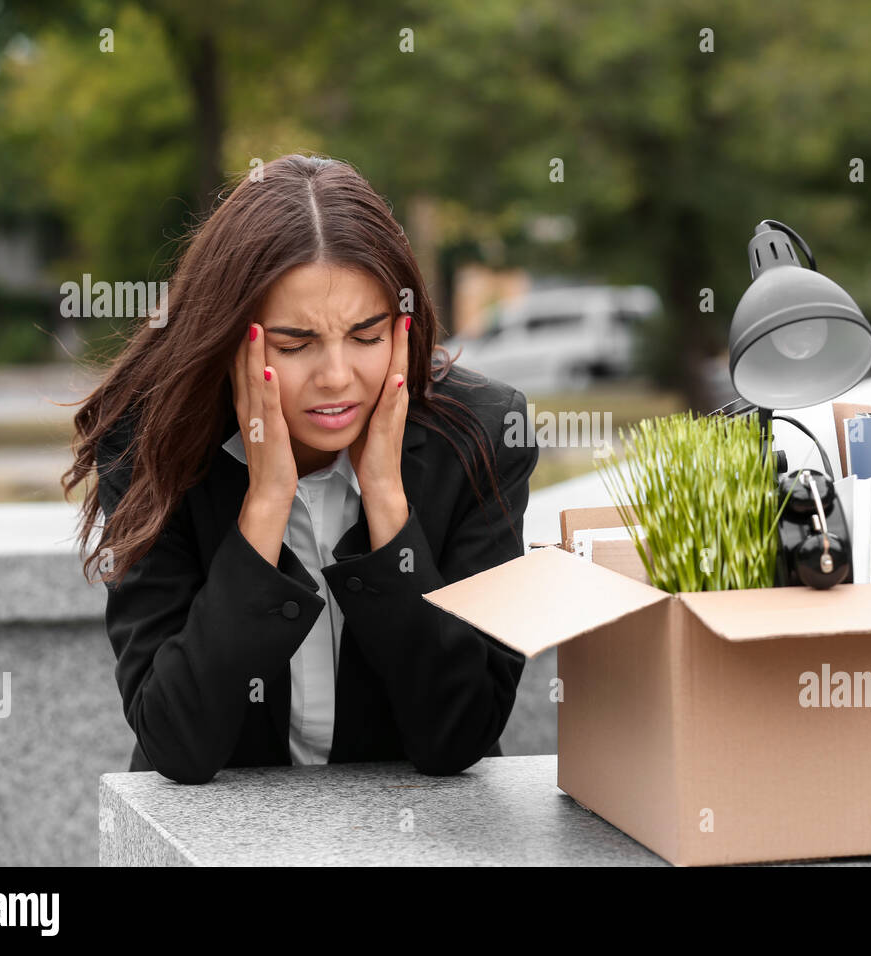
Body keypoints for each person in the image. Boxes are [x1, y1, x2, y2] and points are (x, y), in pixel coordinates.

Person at [62, 154, 538, 785]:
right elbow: (177, 743)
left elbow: (459, 735)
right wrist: (266, 504)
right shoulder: (152, 441)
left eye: (366, 338)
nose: (336, 378)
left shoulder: (481, 433)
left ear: (402, 328)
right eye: (294, 345)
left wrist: (388, 505)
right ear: (231, 336)